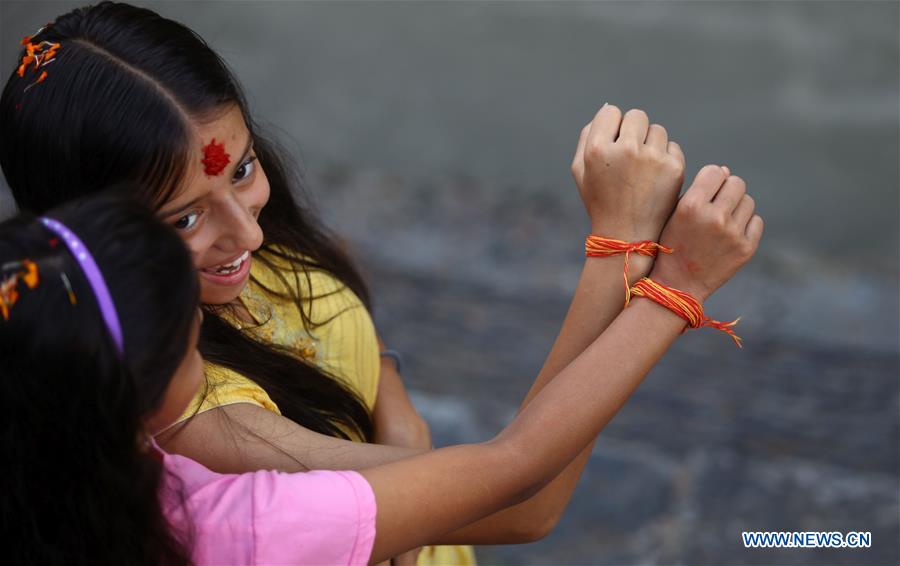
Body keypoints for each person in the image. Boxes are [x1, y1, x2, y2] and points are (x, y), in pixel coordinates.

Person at [0, 0, 762, 556]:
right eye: (183, 220)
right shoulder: (204, 437)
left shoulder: (224, 269)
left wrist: (392, 408)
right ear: (97, 230)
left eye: (245, 168)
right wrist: (644, 261)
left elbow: (331, 325)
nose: (249, 233)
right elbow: (524, 496)